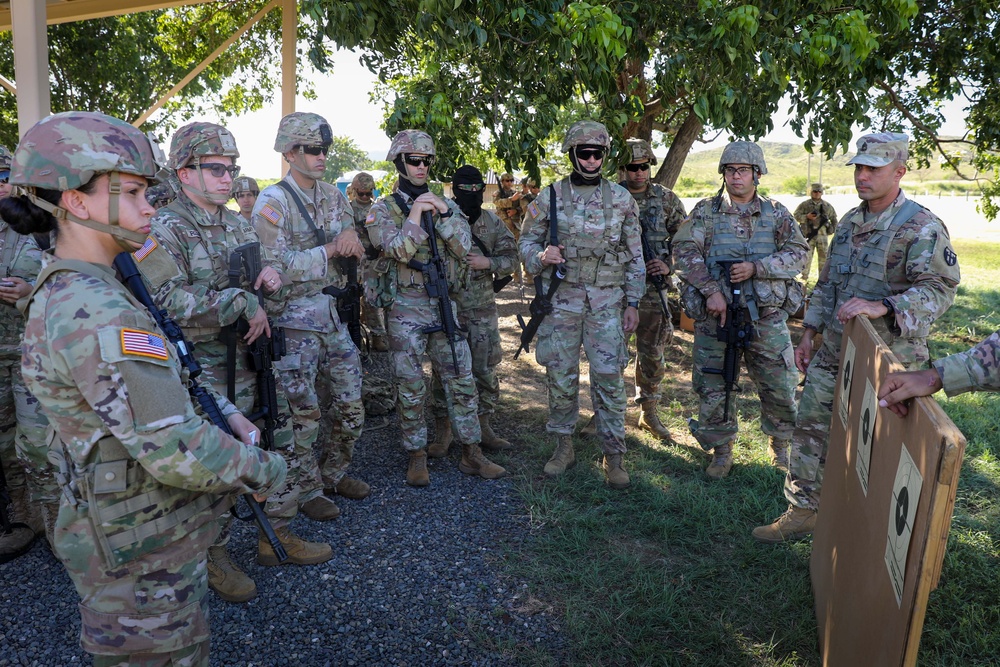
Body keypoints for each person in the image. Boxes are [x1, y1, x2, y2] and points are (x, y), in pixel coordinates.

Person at [2, 110, 287, 666]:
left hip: (142, 534)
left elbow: (168, 375)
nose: (148, 206)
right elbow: (175, 448)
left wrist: (225, 410)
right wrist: (266, 470)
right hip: (137, 556)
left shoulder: (99, 284)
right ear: (76, 202)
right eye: (130, 192)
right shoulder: (96, 308)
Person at [143, 122, 332, 604]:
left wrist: (270, 281)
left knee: (277, 436)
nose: (227, 178)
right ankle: (216, 555)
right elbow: (164, 302)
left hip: (253, 358)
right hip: (203, 371)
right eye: (215, 168)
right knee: (221, 459)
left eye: (232, 168)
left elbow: (265, 284)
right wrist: (238, 302)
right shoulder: (165, 228)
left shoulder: (238, 224)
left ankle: (280, 533)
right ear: (183, 172)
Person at [753, 132, 960, 542]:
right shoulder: (849, 221)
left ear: (899, 172)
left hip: (890, 361)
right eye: (859, 168)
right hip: (834, 349)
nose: (862, 176)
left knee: (882, 447)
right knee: (811, 426)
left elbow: (939, 288)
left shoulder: (920, 226)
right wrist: (809, 332)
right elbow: (828, 283)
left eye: (873, 169)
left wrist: (885, 305)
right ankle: (803, 510)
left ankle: (874, 533)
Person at [365, 129, 507, 486]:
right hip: (404, 307)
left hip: (443, 303)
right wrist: (415, 213)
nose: (421, 167)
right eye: (414, 160)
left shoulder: (448, 205)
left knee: (461, 379)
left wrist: (442, 211)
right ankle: (416, 455)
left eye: (427, 161)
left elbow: (463, 248)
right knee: (410, 384)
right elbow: (397, 250)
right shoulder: (381, 209)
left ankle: (471, 453)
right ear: (399, 162)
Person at [252, 112, 369, 510]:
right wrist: (331, 250)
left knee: (352, 404)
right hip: (292, 324)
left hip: (332, 316)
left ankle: (333, 474)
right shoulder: (273, 202)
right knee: (304, 414)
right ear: (290, 152)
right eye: (314, 150)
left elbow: (346, 229)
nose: (322, 157)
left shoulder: (332, 196)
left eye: (325, 150)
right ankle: (308, 489)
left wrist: (350, 233)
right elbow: (273, 268)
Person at [519, 120, 645, 489]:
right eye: (584, 153)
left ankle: (614, 454)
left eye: (598, 153)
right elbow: (525, 245)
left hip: (607, 304)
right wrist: (542, 256)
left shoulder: (622, 199)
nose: (591, 160)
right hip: (562, 302)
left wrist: (633, 302)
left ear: (605, 156)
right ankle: (563, 446)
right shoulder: (550, 197)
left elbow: (635, 256)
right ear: (572, 154)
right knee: (560, 375)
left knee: (608, 378)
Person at [673, 141, 808, 478]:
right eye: (730, 170)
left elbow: (799, 254)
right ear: (723, 174)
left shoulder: (776, 213)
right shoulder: (705, 211)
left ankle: (780, 447)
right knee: (714, 385)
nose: (736, 177)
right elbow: (683, 251)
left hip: (766, 315)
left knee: (780, 384)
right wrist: (710, 290)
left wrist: (758, 268)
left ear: (757, 174)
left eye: (743, 171)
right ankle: (721, 452)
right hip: (716, 317)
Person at [428, 165, 517, 458]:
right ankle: (444, 431)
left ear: (482, 189)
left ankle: (484, 427)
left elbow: (512, 259)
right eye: (463, 190)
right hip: (446, 308)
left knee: (484, 368)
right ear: (454, 190)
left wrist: (488, 264)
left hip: (481, 308)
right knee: (445, 370)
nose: (470, 195)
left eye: (475, 189)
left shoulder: (492, 222)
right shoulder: (440, 220)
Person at [0, 144, 51, 562]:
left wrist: (31, 292)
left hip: (35, 350)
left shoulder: (40, 226)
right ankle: (24, 514)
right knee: (5, 442)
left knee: (38, 441)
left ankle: (56, 521)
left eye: (4, 175)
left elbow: (77, 282)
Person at [620, 137, 687, 438]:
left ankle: (649, 413)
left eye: (643, 167)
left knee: (652, 354)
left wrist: (668, 264)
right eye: (632, 167)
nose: (638, 173)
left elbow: (687, 240)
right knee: (610, 354)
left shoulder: (666, 199)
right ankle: (605, 412)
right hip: (616, 289)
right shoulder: (609, 197)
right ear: (623, 169)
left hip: (652, 289)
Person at [349, 171, 389, 352]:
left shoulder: (379, 209)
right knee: (350, 299)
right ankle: (352, 334)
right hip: (353, 262)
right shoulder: (347, 210)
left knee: (372, 299)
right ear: (354, 190)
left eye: (368, 193)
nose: (365, 197)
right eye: (361, 193)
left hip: (373, 261)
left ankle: (378, 335)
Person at [792, 182, 838, 282]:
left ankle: (823, 280)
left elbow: (834, 219)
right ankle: (804, 279)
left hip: (822, 237)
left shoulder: (827, 206)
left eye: (819, 191)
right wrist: (806, 217)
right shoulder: (804, 205)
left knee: (824, 259)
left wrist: (831, 230)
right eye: (815, 191)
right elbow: (795, 216)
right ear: (811, 192)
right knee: (806, 258)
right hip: (808, 236)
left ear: (822, 193)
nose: (817, 193)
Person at [493, 172, 523, 238]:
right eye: (507, 181)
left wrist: (515, 211)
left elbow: (523, 207)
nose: (509, 182)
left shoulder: (515, 193)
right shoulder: (498, 193)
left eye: (511, 180)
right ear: (502, 182)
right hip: (503, 223)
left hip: (515, 224)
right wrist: (511, 199)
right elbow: (496, 202)